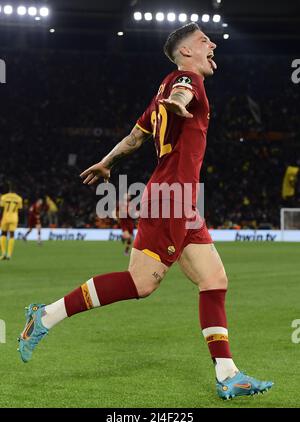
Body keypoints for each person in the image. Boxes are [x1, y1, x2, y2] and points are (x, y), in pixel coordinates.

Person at [18, 23, 273, 400]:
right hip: (171, 197)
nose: (212, 44)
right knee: (141, 283)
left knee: (214, 280)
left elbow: (135, 137)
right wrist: (181, 102)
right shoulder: (186, 79)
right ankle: (46, 316)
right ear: (186, 52)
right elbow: (183, 94)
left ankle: (228, 374)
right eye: (204, 41)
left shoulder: (161, 91)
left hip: (179, 200)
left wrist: (107, 162)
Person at [0, 185, 23, 261]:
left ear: (9, 189)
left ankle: (3, 253)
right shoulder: (19, 198)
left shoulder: (4, 197)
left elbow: (1, 208)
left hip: (5, 217)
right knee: (12, 235)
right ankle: (9, 255)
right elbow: (20, 210)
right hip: (14, 218)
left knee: (3, 234)